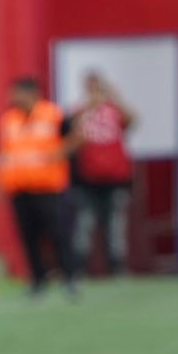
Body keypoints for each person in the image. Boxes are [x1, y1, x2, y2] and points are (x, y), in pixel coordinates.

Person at [0, 76, 76, 298]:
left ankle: (69, 277)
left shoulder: (54, 114)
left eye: (17, 93)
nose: (12, 98)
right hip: (20, 188)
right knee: (29, 237)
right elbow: (6, 153)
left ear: (32, 94)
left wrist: (62, 153)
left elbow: (77, 136)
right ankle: (38, 280)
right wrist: (1, 182)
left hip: (49, 187)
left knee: (58, 235)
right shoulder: (9, 119)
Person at [69, 71, 135, 276]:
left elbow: (132, 120)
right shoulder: (80, 111)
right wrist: (89, 106)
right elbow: (69, 130)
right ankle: (80, 266)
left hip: (116, 178)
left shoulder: (114, 109)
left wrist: (114, 96)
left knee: (115, 224)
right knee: (85, 223)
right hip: (88, 179)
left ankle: (117, 266)